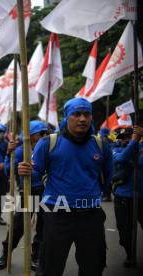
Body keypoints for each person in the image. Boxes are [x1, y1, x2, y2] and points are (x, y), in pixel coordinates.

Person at [18, 98, 113, 276]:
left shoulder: (102, 146)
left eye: (87, 114)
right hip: (57, 214)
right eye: (77, 114)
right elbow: (36, 175)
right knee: (50, 268)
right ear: (67, 117)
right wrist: (26, 171)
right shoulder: (48, 143)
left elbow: (107, 179)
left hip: (91, 215)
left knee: (93, 267)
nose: (82, 119)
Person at [0, 121, 48, 270]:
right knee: (18, 228)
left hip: (48, 194)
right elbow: (8, 170)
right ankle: (5, 255)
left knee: (43, 228)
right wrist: (9, 154)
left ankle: (35, 257)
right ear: (31, 135)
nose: (44, 136)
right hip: (28, 193)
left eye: (45, 133)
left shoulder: (50, 147)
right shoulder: (20, 150)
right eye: (41, 133)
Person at [112, 125, 143, 267]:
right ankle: (130, 255)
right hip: (123, 198)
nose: (125, 140)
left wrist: (136, 148)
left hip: (141, 197)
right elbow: (121, 159)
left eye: (128, 137)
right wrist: (134, 143)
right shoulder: (115, 149)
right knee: (125, 234)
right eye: (123, 138)